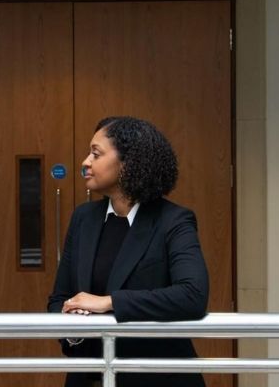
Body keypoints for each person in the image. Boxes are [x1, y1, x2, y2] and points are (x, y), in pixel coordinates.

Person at [47, 116, 209, 387]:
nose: (85, 162)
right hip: (90, 377)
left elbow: (192, 294)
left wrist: (109, 302)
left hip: (156, 379)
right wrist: (74, 331)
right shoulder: (83, 218)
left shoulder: (173, 220)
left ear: (128, 163)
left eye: (96, 154)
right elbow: (60, 298)